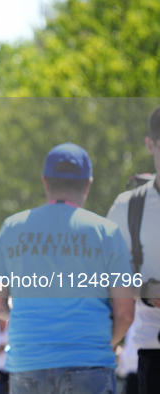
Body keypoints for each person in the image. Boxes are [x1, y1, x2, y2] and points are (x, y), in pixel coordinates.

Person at [0, 142, 135, 394]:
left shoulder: (12, 227)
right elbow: (125, 313)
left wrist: (32, 317)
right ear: (88, 183)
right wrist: (102, 343)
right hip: (89, 363)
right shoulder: (106, 232)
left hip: (27, 365)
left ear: (45, 181)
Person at [107, 106, 160, 394]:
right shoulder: (128, 206)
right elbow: (103, 278)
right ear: (150, 144)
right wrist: (147, 292)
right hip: (152, 350)